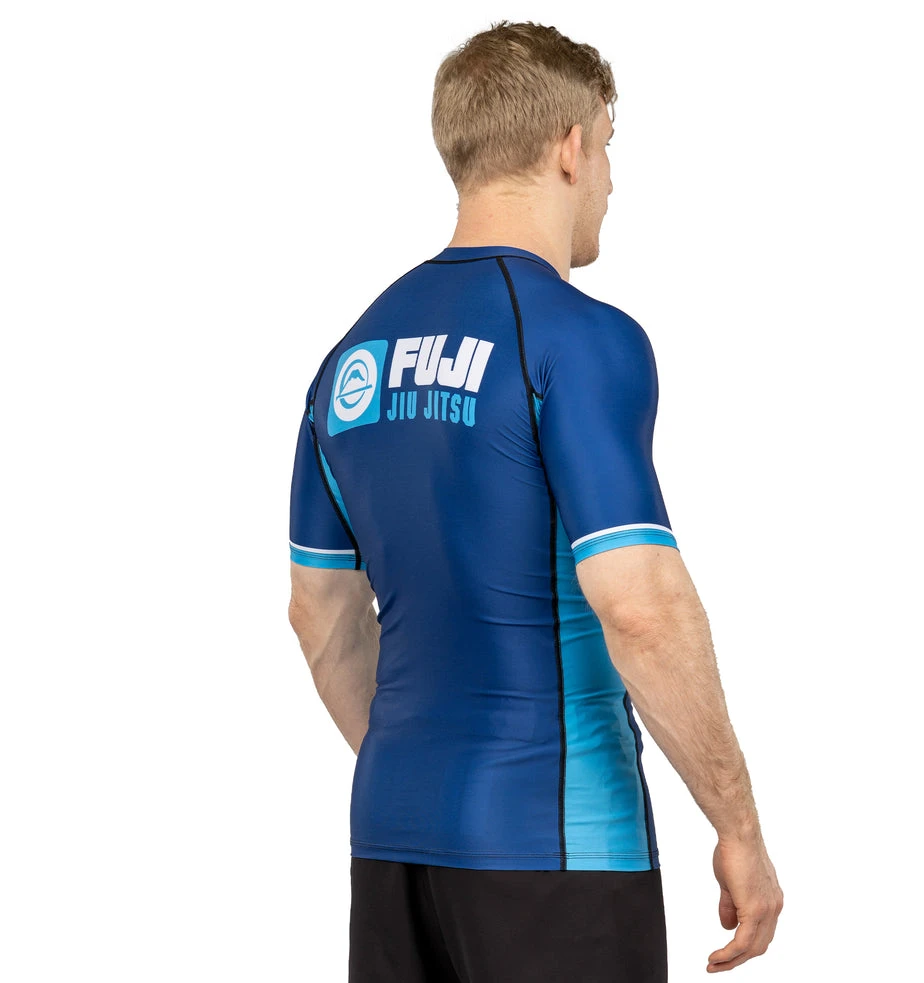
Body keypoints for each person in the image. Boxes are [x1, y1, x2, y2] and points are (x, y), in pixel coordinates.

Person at [287, 19, 782, 982]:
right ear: (571, 144)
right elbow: (639, 604)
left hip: (392, 847)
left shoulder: (348, 358)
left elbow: (320, 613)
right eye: (610, 149)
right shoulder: (579, 339)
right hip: (560, 855)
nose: (611, 184)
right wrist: (738, 825)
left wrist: (423, 775)